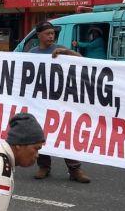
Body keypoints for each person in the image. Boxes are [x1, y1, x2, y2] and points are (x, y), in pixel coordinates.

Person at [29, 22, 90, 183]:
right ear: (39, 35)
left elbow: (83, 61)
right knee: (40, 134)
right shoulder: (32, 53)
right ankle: (44, 166)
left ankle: (74, 168)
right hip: (40, 101)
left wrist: (66, 51)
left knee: (64, 133)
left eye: (52, 33)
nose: (51, 36)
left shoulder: (60, 50)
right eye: (47, 33)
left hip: (60, 100)